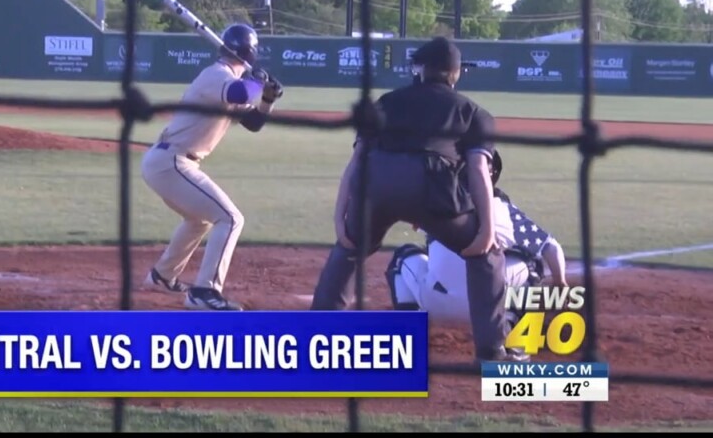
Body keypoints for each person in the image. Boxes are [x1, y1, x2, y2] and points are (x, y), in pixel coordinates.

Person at [310, 36, 522, 363]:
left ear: (420, 69)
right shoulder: (473, 112)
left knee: (349, 248)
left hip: (376, 182)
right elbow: (479, 171)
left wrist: (341, 221)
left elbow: (355, 164)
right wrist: (486, 231)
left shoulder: (384, 103)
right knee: (485, 256)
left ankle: (319, 340)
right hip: (432, 185)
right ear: (456, 73)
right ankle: (491, 352)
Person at [140, 23, 284, 311]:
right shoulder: (216, 76)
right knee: (230, 219)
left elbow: (253, 122)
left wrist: (267, 99)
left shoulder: (229, 78)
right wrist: (256, 82)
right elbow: (239, 94)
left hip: (171, 162)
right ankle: (204, 292)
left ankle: (162, 276)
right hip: (172, 161)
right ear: (250, 53)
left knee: (200, 220)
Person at [384, 150, 569, 358]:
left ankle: (407, 336)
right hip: (489, 311)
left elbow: (407, 215)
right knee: (533, 264)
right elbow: (551, 248)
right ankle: (516, 341)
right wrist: (560, 283)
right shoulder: (505, 210)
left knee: (403, 256)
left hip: (436, 303)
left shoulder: (436, 203)